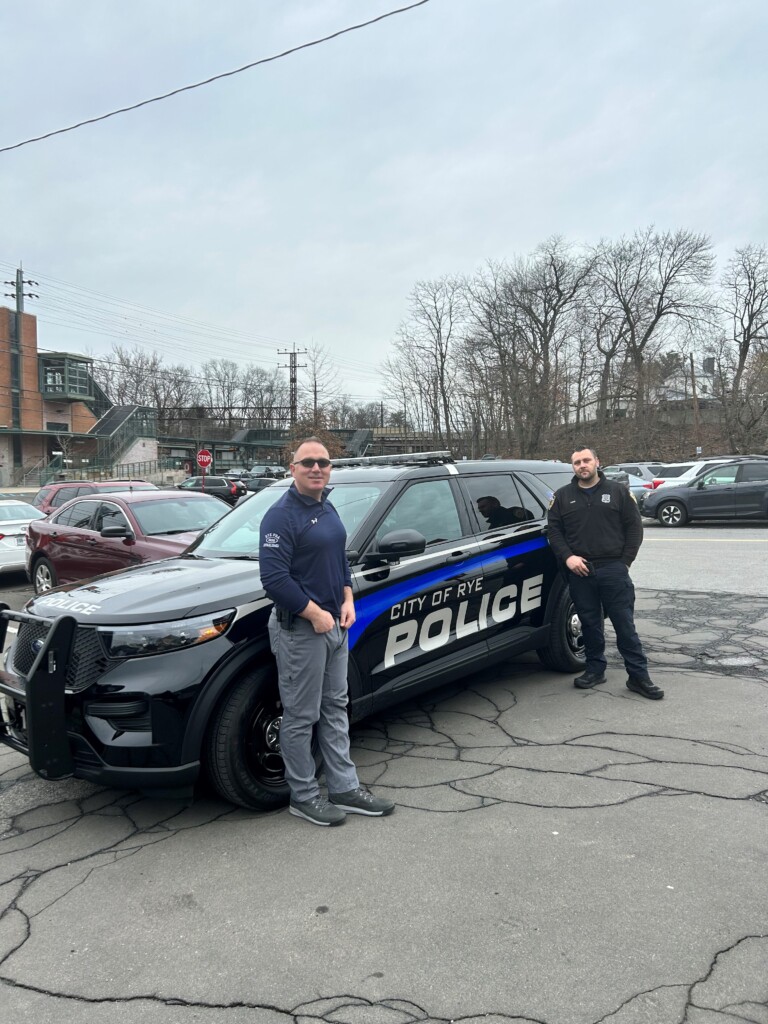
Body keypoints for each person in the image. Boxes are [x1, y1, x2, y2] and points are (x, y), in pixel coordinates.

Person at [258, 437, 395, 826]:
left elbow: (339, 560)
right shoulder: (280, 515)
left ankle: (344, 788)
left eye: (324, 462)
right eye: (308, 463)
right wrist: (314, 613)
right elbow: (273, 579)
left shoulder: (327, 504)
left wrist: (348, 596)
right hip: (302, 630)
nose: (316, 468)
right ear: (293, 468)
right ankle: (303, 796)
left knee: (336, 708)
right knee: (300, 716)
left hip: (336, 624)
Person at [546, 445, 664, 700]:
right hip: (580, 570)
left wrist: (624, 562)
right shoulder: (562, 496)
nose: (582, 466)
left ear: (597, 462)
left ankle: (639, 677)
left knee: (624, 626)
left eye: (586, 460)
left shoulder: (619, 492)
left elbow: (634, 529)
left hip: (613, 568)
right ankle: (595, 669)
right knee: (590, 624)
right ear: (573, 467)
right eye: (577, 462)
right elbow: (554, 532)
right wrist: (568, 558)